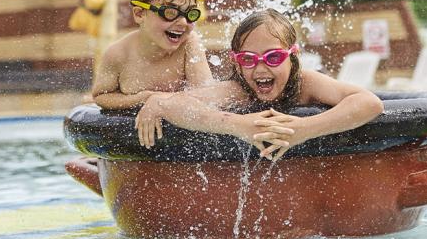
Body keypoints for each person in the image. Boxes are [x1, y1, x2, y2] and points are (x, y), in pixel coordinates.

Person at [135, 9, 384, 159]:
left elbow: (369, 103)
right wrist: (238, 125)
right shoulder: (238, 90)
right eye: (248, 59)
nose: (260, 68)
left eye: (273, 57)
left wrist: (304, 129)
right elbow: (177, 105)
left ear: (293, 57)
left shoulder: (306, 83)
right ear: (236, 63)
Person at [91, 0, 214, 109]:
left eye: (190, 14)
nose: (182, 22)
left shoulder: (189, 45)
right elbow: (101, 96)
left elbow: (207, 97)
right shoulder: (118, 54)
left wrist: (158, 99)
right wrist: (142, 98)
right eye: (170, 12)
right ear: (140, 14)